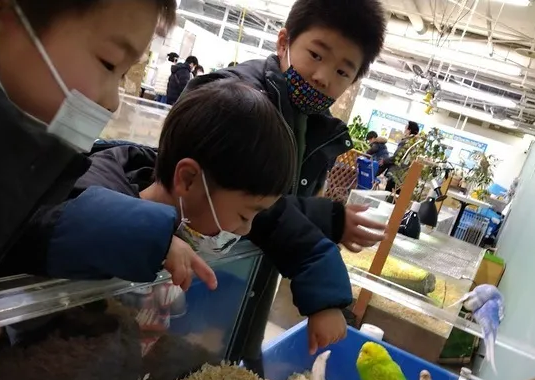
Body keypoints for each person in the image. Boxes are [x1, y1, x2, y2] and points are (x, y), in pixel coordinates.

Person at [0, 0, 176, 350]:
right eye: (109, 63)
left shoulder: (11, 147)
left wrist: (141, 234)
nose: (113, 101)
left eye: (124, 73)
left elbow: (15, 235)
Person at [184, 0, 388, 374]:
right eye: (315, 54)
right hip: (193, 273)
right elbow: (255, 201)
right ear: (284, 41)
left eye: (343, 71)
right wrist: (325, 223)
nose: (323, 77)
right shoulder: (238, 101)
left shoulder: (316, 127)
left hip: (243, 288)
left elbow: (272, 208)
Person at [79, 80, 352, 354]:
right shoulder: (98, 184)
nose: (247, 230)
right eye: (244, 215)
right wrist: (152, 235)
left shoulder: (233, 197)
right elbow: (61, 219)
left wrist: (326, 301)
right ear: (188, 179)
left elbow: (296, 235)